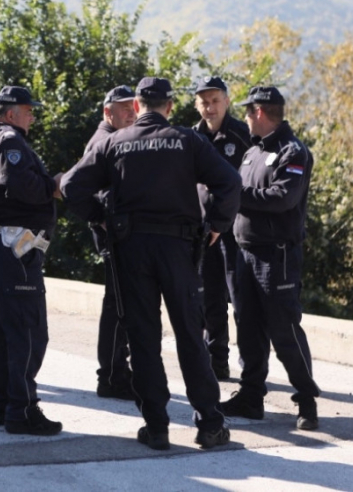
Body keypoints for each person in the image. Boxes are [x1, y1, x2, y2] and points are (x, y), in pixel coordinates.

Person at [60, 77, 240, 451]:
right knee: (190, 335)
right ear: (169, 107)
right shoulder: (188, 141)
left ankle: (157, 427)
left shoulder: (113, 142)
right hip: (178, 250)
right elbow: (229, 182)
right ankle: (209, 424)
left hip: (132, 250)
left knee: (143, 337)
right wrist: (216, 225)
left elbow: (72, 186)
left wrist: (100, 218)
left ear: (137, 106)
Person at [219, 86, 321, 430]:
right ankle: (251, 397)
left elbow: (282, 198)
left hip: (276, 257)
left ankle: (306, 400)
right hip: (244, 253)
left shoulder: (293, 152)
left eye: (248, 112)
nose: (245, 118)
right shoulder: (252, 152)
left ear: (260, 112)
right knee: (247, 327)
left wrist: (236, 193)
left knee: (283, 328)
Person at [0, 85, 62, 436]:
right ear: (10, 114)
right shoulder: (8, 139)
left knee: (1, 332)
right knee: (27, 331)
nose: (32, 117)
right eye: (28, 110)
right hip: (12, 247)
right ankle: (22, 411)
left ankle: (3, 405)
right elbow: (18, 184)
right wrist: (52, 186)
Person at [192, 76, 251, 380]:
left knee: (241, 300)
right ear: (197, 105)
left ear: (227, 102)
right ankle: (217, 362)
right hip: (205, 231)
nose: (210, 107)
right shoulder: (192, 138)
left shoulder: (242, 135)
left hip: (235, 231)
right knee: (210, 299)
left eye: (215, 101)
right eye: (204, 102)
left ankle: (251, 366)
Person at [84, 85, 136, 400]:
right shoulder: (103, 141)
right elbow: (80, 186)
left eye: (134, 107)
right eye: (124, 108)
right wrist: (101, 218)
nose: (131, 113)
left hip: (121, 236)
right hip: (114, 238)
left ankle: (117, 372)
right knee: (117, 307)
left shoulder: (117, 138)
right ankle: (112, 377)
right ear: (108, 112)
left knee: (121, 305)